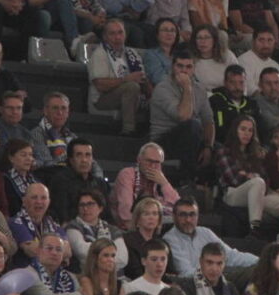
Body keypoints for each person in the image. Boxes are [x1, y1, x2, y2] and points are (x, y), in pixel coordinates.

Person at [150, 51, 214, 182]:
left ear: (194, 69)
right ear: (173, 67)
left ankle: (212, 191)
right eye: (180, 66)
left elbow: (209, 121)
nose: (184, 71)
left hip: (191, 138)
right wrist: (187, 88)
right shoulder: (162, 88)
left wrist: (208, 146)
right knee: (193, 125)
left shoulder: (200, 89)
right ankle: (186, 180)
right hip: (162, 140)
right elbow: (184, 116)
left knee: (218, 149)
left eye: (189, 67)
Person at [162, 197, 258, 280]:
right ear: (174, 217)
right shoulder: (170, 239)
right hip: (197, 283)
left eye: (192, 215)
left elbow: (230, 255)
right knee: (252, 273)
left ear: (198, 216)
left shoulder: (205, 232)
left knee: (258, 269)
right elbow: (186, 272)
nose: (188, 220)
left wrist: (260, 261)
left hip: (219, 275)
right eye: (183, 215)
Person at [87, 18, 150, 136]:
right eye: (112, 33)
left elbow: (141, 78)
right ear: (105, 37)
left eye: (120, 32)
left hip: (128, 94)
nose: (117, 37)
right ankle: (128, 130)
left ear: (125, 34)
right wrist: (126, 79)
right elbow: (100, 86)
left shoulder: (132, 53)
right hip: (102, 99)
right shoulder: (100, 54)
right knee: (131, 87)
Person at [18, 233, 87, 295]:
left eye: (59, 249)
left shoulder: (71, 277)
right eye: (49, 248)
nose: (54, 253)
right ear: (38, 251)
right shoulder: (28, 274)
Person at [111, 142, 180, 229]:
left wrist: (164, 183)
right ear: (139, 160)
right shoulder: (127, 174)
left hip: (153, 224)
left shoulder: (159, 178)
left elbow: (178, 206)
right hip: (126, 226)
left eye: (157, 162)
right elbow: (126, 212)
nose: (153, 166)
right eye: (149, 161)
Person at [48, 139, 110, 224]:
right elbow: (62, 217)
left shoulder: (100, 183)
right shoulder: (60, 181)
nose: (84, 160)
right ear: (71, 160)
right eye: (79, 155)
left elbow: (107, 215)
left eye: (88, 155)